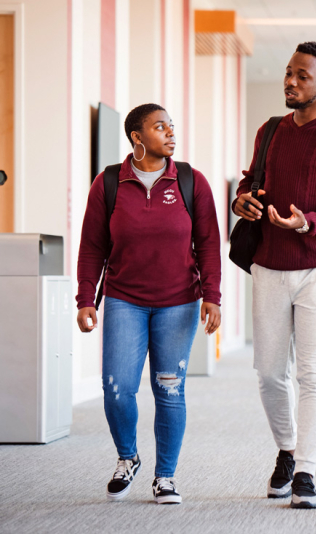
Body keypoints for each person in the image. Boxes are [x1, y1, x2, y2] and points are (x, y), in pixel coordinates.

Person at [232, 41, 316, 510]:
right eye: (288, 73)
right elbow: (250, 180)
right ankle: (287, 450)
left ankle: (306, 470)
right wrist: (241, 201)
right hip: (269, 266)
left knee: (315, 374)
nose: (290, 82)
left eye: (302, 76)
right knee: (269, 372)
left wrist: (309, 222)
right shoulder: (270, 130)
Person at [76, 103, 222, 504]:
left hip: (179, 303)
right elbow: (92, 245)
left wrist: (213, 296)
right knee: (118, 388)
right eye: (161, 127)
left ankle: (166, 476)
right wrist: (85, 297)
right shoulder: (108, 184)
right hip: (125, 300)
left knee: (169, 389)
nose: (171, 133)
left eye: (172, 126)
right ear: (137, 138)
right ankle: (128, 458)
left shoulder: (192, 181)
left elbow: (208, 244)